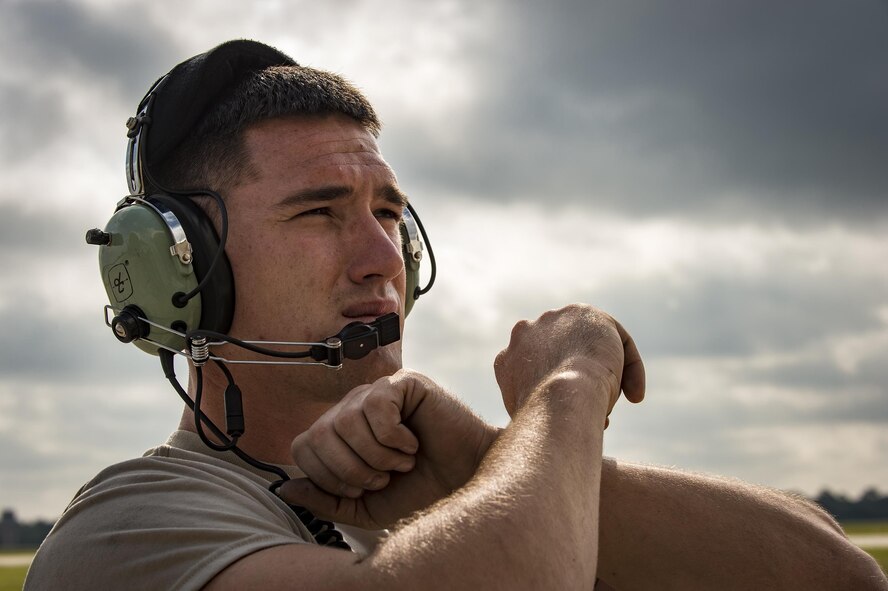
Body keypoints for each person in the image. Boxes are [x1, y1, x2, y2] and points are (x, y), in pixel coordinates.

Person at [26, 39, 885, 590]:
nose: (382, 258)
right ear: (178, 271)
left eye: (390, 214)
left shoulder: (485, 502)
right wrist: (571, 386)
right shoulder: (127, 529)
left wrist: (477, 464)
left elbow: (836, 572)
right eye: (319, 212)